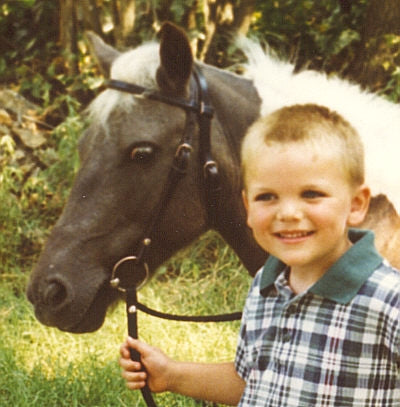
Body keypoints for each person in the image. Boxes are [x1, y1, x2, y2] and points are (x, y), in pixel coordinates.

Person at [119, 104, 400, 406]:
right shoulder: (264, 288)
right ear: (248, 208)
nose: (289, 213)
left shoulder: (388, 299)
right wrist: (172, 374)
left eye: (311, 194)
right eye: (267, 197)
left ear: (356, 204)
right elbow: (251, 381)